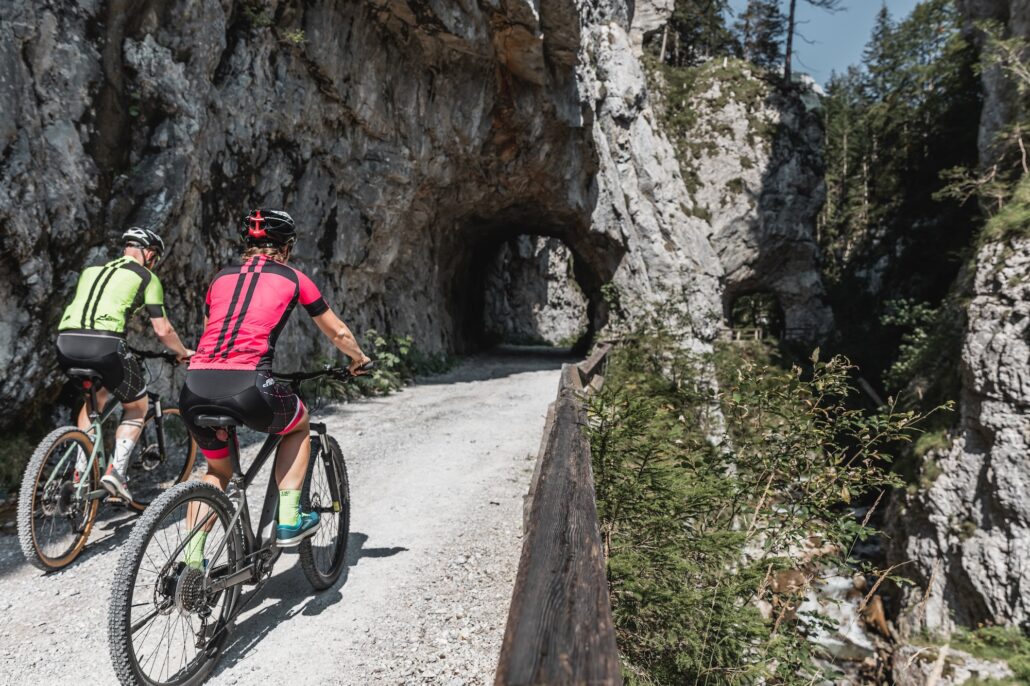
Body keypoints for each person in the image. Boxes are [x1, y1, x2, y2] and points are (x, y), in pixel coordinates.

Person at [179, 209, 371, 566]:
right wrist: (358, 359)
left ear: (246, 244)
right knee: (297, 423)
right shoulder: (294, 278)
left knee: (216, 472)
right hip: (249, 385)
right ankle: (288, 519)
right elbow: (338, 332)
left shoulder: (219, 279)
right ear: (286, 246)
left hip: (195, 385)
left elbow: (210, 331)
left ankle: (192, 561)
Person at [56, 227, 193, 501]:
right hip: (105, 346)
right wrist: (183, 351)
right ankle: (116, 473)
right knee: (137, 407)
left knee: (95, 399)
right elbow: (163, 330)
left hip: (66, 342)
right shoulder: (147, 277)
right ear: (150, 254)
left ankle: (80, 471)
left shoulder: (91, 271)